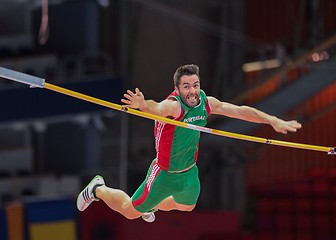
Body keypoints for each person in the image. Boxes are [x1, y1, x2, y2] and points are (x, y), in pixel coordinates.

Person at [76, 64, 302, 222]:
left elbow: (240, 111)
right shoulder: (174, 106)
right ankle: (98, 189)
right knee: (129, 212)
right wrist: (143, 105)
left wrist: (272, 120)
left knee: (187, 206)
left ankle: (152, 205)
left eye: (195, 84)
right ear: (177, 89)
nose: (192, 91)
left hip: (189, 172)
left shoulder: (205, 102)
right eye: (187, 86)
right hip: (164, 173)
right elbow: (158, 108)